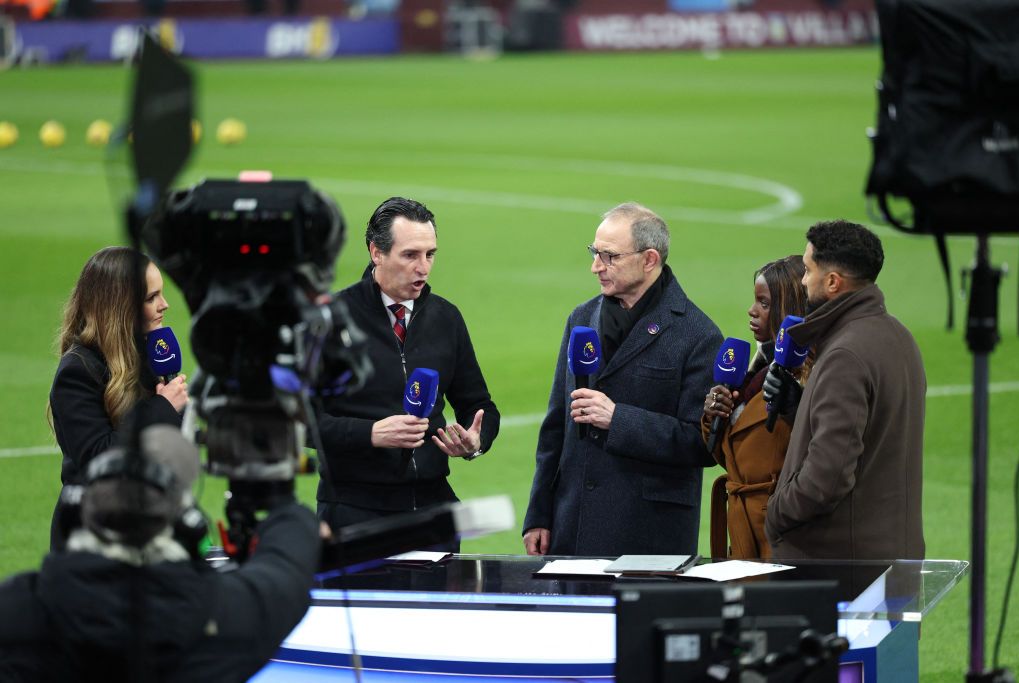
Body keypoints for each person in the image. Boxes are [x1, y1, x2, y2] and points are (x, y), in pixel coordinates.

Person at [0, 420, 320, 682]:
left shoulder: (17, 610)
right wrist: (283, 505)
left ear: (77, 512)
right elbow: (287, 566)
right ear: (187, 525)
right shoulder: (224, 616)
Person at [523, 202, 722, 556]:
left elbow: (702, 442)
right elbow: (556, 424)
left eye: (609, 256)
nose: (595, 266)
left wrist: (619, 420)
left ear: (648, 259)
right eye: (595, 253)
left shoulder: (698, 335)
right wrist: (539, 513)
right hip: (574, 525)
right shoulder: (582, 318)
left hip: (649, 534)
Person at [315, 197, 500, 547]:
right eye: (410, 255)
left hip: (433, 511)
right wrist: (370, 433)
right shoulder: (330, 320)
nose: (423, 268)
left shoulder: (446, 318)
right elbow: (300, 421)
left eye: (430, 254)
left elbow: (480, 405)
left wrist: (476, 441)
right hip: (354, 513)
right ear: (376, 253)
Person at [765, 220, 926, 560]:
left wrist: (777, 513)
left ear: (833, 282)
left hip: (843, 568)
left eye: (808, 272)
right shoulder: (899, 336)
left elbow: (828, 478)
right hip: (888, 553)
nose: (804, 281)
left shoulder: (845, 355)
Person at [48, 246, 189, 551]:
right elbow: (99, 459)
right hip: (92, 534)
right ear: (120, 307)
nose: (164, 305)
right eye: (151, 298)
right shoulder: (79, 371)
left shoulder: (149, 355)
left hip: (149, 522)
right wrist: (163, 408)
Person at [701, 255, 811, 560]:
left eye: (764, 304)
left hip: (779, 531)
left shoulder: (809, 375)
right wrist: (713, 415)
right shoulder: (755, 371)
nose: (752, 311)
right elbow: (732, 456)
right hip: (745, 526)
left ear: (790, 309)